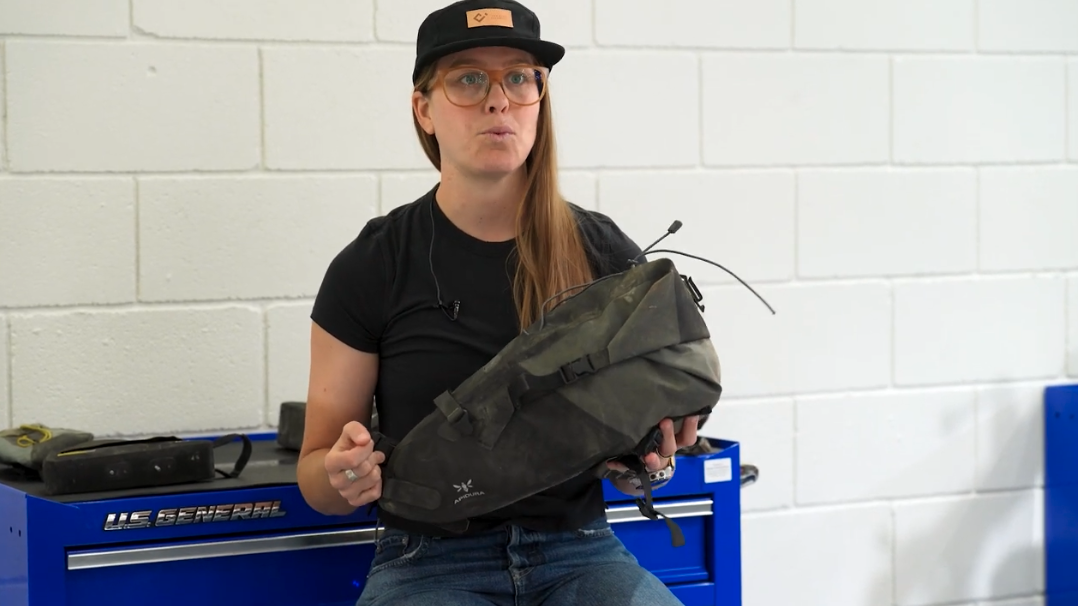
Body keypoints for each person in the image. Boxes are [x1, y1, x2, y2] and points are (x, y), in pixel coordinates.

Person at [296, 1, 701, 604]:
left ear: (540, 98)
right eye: (467, 78)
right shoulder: (374, 264)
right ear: (423, 110)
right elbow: (316, 471)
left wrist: (650, 460)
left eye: (519, 77)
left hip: (580, 551)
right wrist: (342, 476)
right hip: (427, 562)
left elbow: (646, 446)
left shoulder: (602, 251)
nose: (497, 99)